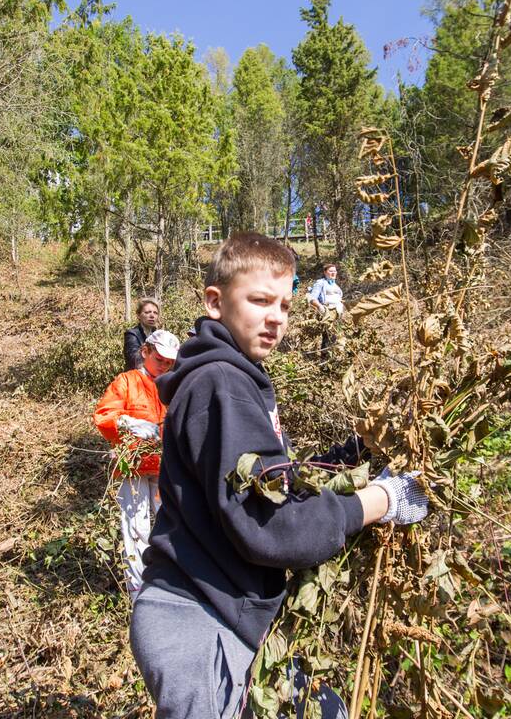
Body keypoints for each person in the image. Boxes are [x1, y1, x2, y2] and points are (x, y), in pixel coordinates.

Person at [129, 233, 427, 719]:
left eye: (285, 305)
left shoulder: (232, 379)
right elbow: (272, 526)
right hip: (199, 621)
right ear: (215, 302)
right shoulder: (220, 386)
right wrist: (379, 502)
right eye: (260, 300)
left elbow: (277, 483)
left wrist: (362, 450)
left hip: (227, 613)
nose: (276, 318)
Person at [93, 329, 180, 602]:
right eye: (160, 359)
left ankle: (170, 583)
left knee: (170, 523)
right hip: (132, 466)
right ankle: (137, 590)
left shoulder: (172, 385)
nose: (164, 365)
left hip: (165, 466)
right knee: (135, 526)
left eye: (169, 362)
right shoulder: (127, 382)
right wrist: (130, 423)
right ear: (145, 352)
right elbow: (105, 415)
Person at [308, 264, 344, 357]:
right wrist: (320, 307)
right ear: (325, 272)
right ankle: (325, 359)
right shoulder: (320, 283)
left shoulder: (335, 285)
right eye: (330, 271)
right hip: (327, 313)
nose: (333, 273)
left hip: (338, 314)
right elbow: (312, 298)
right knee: (328, 337)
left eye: (335, 271)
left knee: (337, 336)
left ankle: (335, 358)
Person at [123, 297, 162, 371]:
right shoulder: (132, 334)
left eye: (155, 313)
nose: (152, 316)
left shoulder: (159, 335)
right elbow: (135, 361)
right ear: (138, 315)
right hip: (136, 379)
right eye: (147, 312)